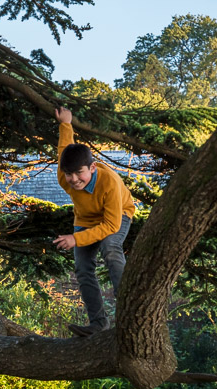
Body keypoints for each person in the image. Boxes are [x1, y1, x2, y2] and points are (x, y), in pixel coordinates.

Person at [52, 107, 136, 337]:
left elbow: (110, 226)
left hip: (118, 215)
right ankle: (98, 323)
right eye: (69, 174)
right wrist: (66, 123)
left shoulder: (109, 182)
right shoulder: (66, 176)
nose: (74, 180)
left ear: (92, 167)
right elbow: (64, 149)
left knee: (110, 247)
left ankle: (129, 313)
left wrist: (75, 239)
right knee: (82, 268)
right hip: (85, 221)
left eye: (79, 173)